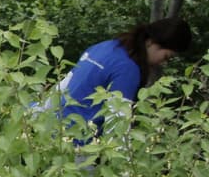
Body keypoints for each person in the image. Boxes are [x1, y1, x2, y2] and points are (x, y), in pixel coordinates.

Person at [58, 16, 192, 139]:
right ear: (151, 42)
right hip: (78, 141)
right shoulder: (128, 69)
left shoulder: (103, 47)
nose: (163, 63)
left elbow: (63, 86)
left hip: (53, 127)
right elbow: (117, 126)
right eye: (166, 57)